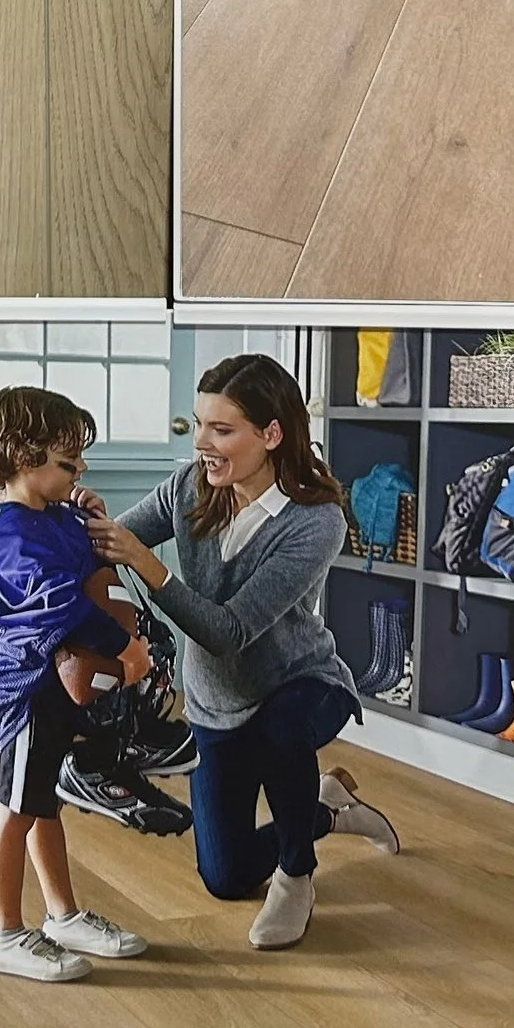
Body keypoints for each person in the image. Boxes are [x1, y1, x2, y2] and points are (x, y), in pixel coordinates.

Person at [88, 353, 400, 950]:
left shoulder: (316, 522)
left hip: (301, 683)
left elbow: (228, 631)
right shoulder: (189, 486)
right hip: (217, 702)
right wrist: (51, 520)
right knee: (225, 877)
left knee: (283, 733)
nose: (202, 441)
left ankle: (297, 875)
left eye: (221, 429)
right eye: (200, 424)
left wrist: (147, 564)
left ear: (271, 434)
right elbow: (108, 542)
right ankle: (325, 806)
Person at [0, 385, 156, 984]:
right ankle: (3, 933)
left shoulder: (50, 520)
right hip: (25, 697)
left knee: (42, 803)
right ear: (26, 459)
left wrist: (89, 516)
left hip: (50, 691)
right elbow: (64, 606)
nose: (82, 469)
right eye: (69, 462)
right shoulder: (14, 539)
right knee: (17, 809)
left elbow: (86, 560)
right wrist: (124, 646)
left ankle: (62, 915)